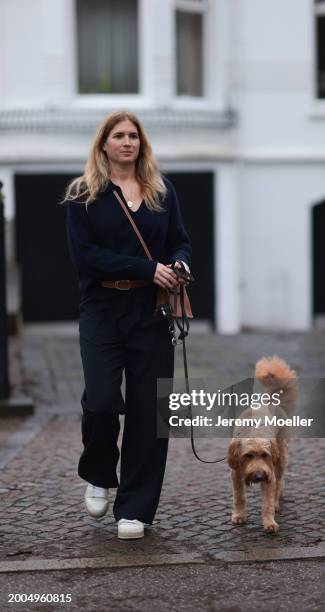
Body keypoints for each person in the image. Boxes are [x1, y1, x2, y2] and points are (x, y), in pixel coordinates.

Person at [63, 110, 192, 540]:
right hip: (101, 308)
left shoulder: (161, 191)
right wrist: (146, 267)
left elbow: (179, 239)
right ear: (103, 144)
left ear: (142, 144)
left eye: (133, 136)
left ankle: (135, 508)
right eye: (118, 136)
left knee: (148, 409)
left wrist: (179, 263)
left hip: (150, 312)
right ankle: (100, 473)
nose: (127, 142)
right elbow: (87, 258)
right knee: (100, 402)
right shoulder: (84, 196)